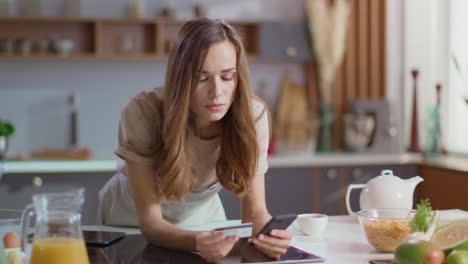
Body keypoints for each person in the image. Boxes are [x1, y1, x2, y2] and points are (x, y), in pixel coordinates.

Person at [98, 18, 292, 262]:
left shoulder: (253, 116)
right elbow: (151, 225)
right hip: (130, 224)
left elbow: (255, 213)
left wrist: (270, 236)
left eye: (227, 76)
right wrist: (197, 241)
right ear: (181, 79)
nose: (217, 92)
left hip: (203, 222)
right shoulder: (142, 112)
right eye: (202, 78)